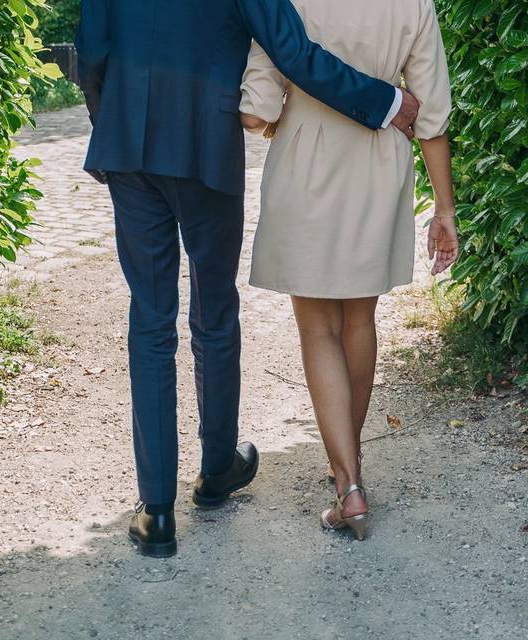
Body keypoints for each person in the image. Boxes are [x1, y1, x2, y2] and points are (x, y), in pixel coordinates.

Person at [74, 0, 421, 558]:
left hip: (129, 143)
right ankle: (216, 471)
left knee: (150, 319)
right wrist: (385, 100)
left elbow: (90, 50)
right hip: (204, 141)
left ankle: (157, 510)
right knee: (213, 309)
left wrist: (111, 113)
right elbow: (295, 54)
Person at [239, 0, 458, 540]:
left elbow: (255, 112)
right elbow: (430, 113)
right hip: (378, 162)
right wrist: (445, 208)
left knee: (317, 328)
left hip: (305, 160)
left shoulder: (284, 2)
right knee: (360, 322)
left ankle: (349, 485)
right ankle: (349, 475)